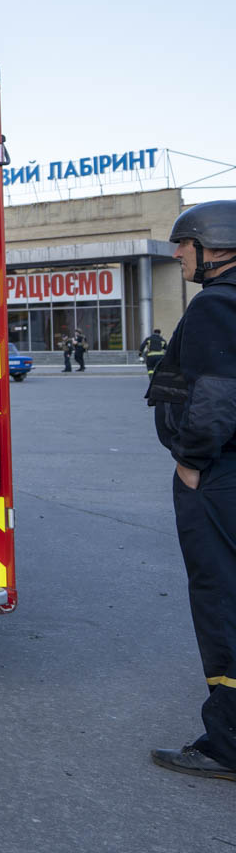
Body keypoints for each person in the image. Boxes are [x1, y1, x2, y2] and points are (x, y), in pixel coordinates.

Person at [147, 200, 236, 781]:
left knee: (220, 599)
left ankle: (227, 744)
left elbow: (217, 397)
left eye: (185, 243)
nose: (177, 253)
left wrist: (191, 462)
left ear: (216, 246)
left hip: (219, 476)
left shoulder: (216, 305)